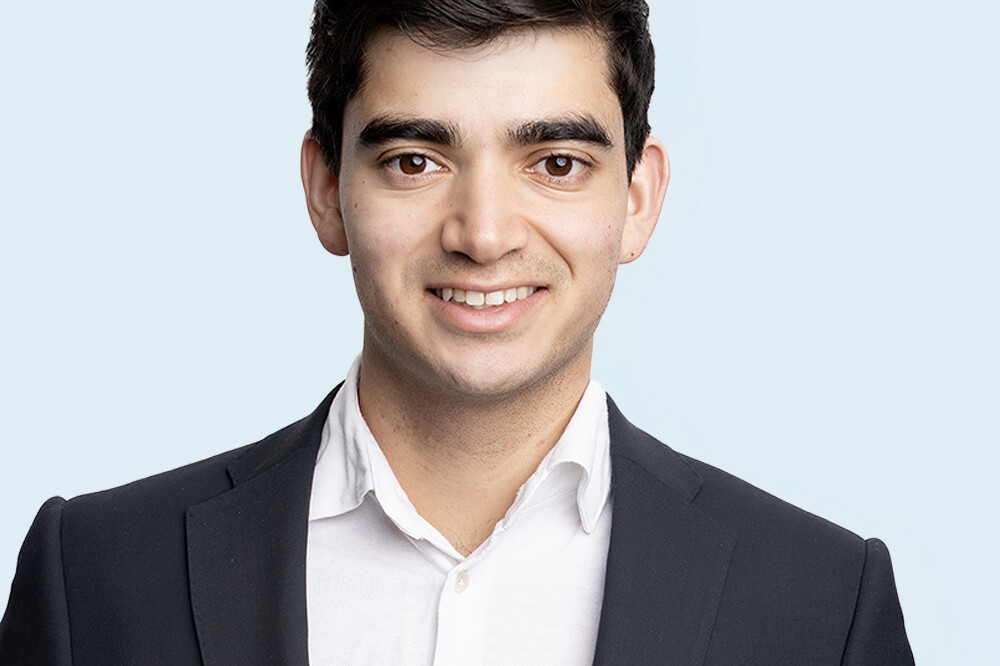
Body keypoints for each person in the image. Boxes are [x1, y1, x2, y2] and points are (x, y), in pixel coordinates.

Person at [0, 0, 913, 663]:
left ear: (638, 200)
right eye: (415, 159)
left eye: (554, 162)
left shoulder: (823, 606)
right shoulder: (96, 579)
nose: (483, 232)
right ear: (326, 192)